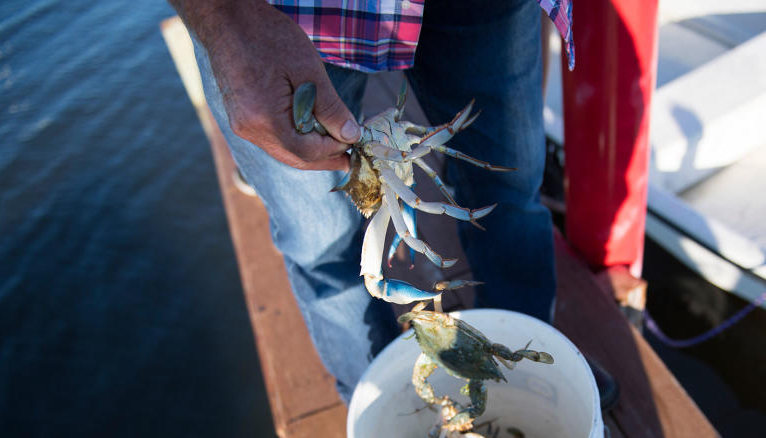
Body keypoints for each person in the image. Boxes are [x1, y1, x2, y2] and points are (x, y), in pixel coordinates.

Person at [169, 0, 574, 402]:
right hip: (285, 16)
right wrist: (226, 20)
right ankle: (382, 405)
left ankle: (527, 370)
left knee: (509, 187)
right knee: (321, 244)